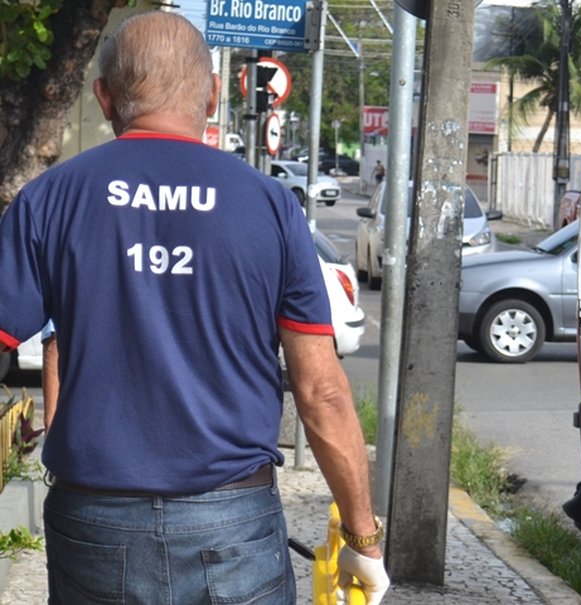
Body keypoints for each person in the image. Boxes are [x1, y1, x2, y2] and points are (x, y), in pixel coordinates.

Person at [0, 12, 390, 603]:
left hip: (96, 522)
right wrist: (363, 535)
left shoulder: (49, 199)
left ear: (103, 97)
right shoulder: (268, 207)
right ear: (211, 93)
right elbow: (321, 392)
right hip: (232, 522)